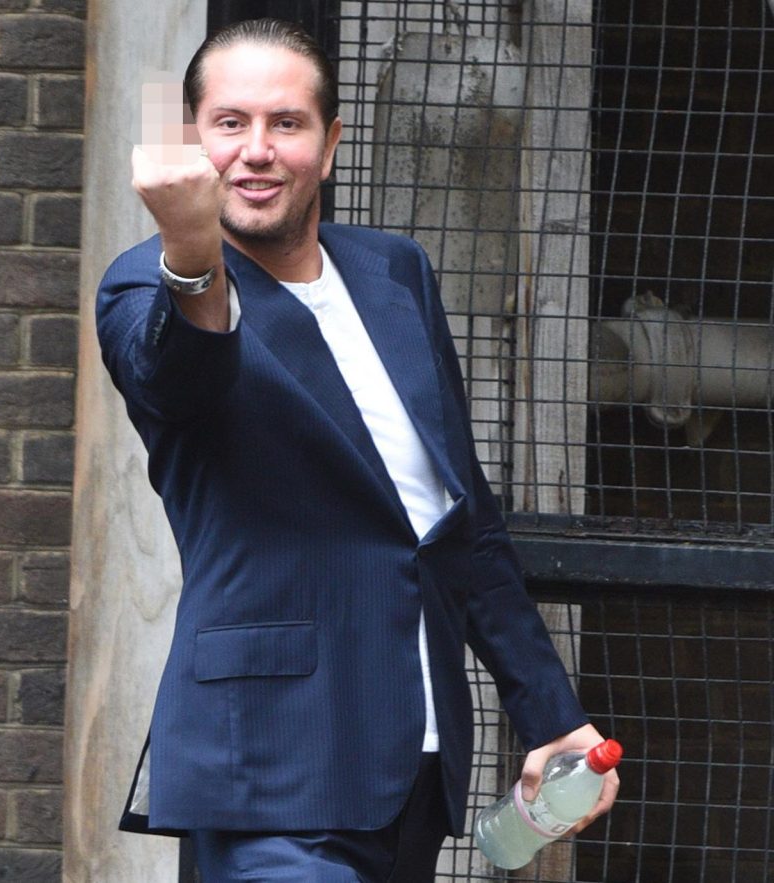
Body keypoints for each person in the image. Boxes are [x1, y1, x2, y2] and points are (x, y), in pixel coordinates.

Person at [96, 17, 618, 882]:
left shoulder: (393, 273)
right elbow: (179, 377)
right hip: (272, 771)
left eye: (286, 124)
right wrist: (191, 252)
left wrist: (552, 715)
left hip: (413, 770)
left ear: (331, 146)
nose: (257, 150)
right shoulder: (144, 286)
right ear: (190, 143)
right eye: (230, 124)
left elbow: (461, 527)